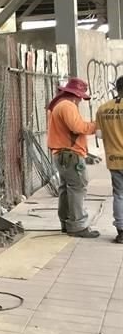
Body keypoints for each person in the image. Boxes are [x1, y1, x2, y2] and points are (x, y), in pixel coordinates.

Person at [47, 77, 99, 238]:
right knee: (77, 187)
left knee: (66, 188)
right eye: (81, 97)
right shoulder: (68, 106)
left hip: (61, 154)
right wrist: (96, 126)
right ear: (76, 95)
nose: (81, 101)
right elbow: (77, 127)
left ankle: (66, 222)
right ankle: (77, 226)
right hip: (70, 154)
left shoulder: (59, 105)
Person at [97, 76, 123, 243]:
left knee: (119, 195)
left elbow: (99, 135)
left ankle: (121, 231)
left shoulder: (103, 108)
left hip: (114, 159)